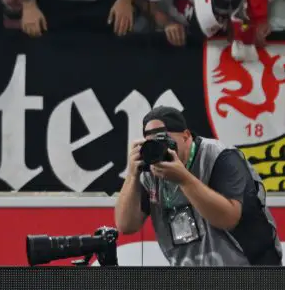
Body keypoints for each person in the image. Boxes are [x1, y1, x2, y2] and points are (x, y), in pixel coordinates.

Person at [114, 106, 282, 266]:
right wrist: (132, 175)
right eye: (152, 143)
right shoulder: (150, 169)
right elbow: (126, 225)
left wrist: (184, 180)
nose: (160, 149)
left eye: (164, 141)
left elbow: (228, 218)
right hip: (195, 279)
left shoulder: (220, 157)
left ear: (186, 136)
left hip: (250, 271)